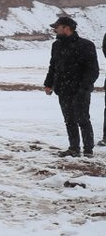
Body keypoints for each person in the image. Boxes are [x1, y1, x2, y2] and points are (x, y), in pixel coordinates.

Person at [43, 16, 98, 157]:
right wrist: (48, 84)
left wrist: (83, 88)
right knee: (69, 120)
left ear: (66, 28)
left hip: (80, 91)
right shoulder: (56, 45)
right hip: (63, 89)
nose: (54, 30)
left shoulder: (86, 45)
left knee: (83, 119)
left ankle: (88, 150)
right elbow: (53, 66)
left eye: (57, 27)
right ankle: (73, 148)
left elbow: (93, 70)